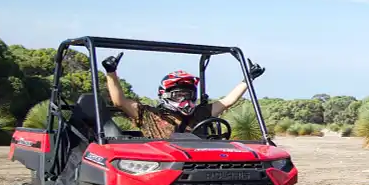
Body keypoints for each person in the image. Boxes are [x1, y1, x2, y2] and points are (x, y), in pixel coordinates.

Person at [102, 52, 265, 140]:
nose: (185, 100)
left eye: (188, 95)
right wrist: (111, 73)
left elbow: (228, 101)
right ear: (165, 95)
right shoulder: (149, 115)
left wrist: (248, 79)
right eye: (179, 95)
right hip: (160, 169)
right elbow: (119, 101)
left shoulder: (201, 113)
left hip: (196, 166)